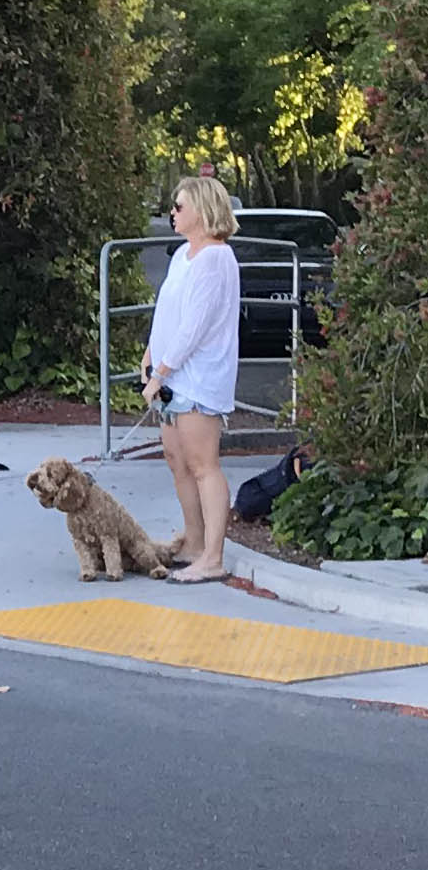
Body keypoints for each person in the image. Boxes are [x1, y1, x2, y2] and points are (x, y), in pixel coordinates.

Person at [142, 174, 242, 584]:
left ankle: (213, 556)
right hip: (170, 376)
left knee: (204, 466)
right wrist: (149, 356)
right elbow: (166, 313)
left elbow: (195, 327)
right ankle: (194, 542)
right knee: (176, 461)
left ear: (202, 210)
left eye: (180, 207)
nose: (173, 213)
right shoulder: (183, 255)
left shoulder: (216, 259)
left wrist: (161, 371)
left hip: (197, 379)